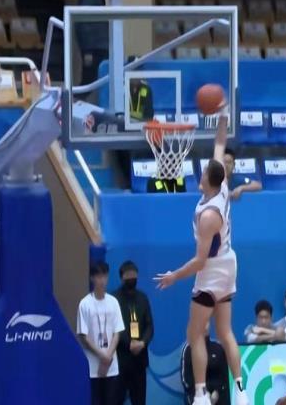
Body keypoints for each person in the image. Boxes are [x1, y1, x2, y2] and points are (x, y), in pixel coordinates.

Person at [154, 101, 249, 405]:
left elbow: (199, 261)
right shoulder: (221, 187)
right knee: (225, 331)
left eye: (204, 172)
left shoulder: (209, 216)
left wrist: (174, 276)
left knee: (195, 334)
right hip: (229, 263)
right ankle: (241, 390)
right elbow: (220, 144)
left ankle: (200, 394)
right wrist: (222, 117)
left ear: (209, 179)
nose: (201, 172)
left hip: (211, 270)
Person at [77, 262, 125, 405]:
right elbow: (83, 336)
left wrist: (108, 356)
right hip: (93, 366)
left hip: (111, 366)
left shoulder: (113, 302)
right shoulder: (85, 304)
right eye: (98, 276)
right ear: (92, 278)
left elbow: (117, 332)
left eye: (104, 276)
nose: (102, 280)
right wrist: (102, 356)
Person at [113, 261, 154, 405]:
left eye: (134, 275)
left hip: (139, 360)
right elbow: (114, 327)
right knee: (116, 400)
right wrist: (129, 343)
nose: (132, 278)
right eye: (128, 275)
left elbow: (149, 326)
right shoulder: (114, 299)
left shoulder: (143, 298)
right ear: (122, 277)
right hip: (120, 359)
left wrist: (142, 343)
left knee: (139, 400)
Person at [76, 0, 109, 86]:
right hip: (93, 46)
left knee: (94, 79)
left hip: (98, 45)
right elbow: (83, 22)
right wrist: (87, 50)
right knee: (90, 80)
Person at [181, 325, 230, 405]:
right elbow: (185, 379)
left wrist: (217, 391)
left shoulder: (218, 348)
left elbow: (225, 375)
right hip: (197, 393)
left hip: (218, 394)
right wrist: (202, 392)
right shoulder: (188, 349)